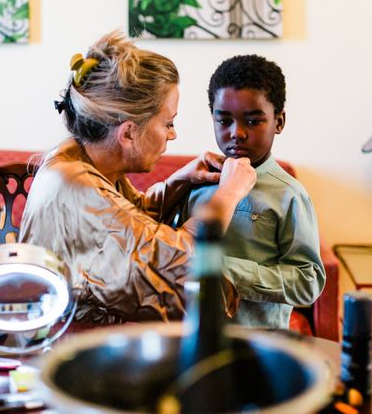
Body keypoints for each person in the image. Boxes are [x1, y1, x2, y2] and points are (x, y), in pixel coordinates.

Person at [19, 31, 256, 323]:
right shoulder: (75, 183)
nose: (173, 134)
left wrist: (179, 181)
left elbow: (132, 227)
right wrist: (229, 194)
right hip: (69, 344)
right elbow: (179, 260)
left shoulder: (81, 157)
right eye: (168, 123)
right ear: (128, 133)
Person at [176, 54, 325, 329]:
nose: (237, 133)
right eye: (224, 121)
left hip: (259, 346)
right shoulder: (196, 184)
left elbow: (308, 281)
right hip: (192, 338)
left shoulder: (289, 194)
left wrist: (226, 271)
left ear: (278, 122)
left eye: (253, 121)